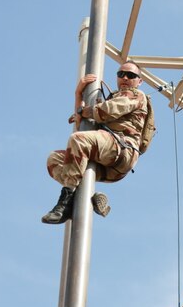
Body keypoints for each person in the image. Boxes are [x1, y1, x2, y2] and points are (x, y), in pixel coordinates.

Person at [42, 61, 148, 224]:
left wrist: (85, 111)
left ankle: (63, 205)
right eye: (121, 74)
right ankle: (89, 197)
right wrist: (78, 95)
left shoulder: (135, 95)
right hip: (105, 153)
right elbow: (82, 127)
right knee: (54, 159)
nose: (125, 78)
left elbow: (106, 111)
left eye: (131, 75)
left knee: (79, 141)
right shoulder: (111, 98)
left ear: (139, 81)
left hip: (122, 149)